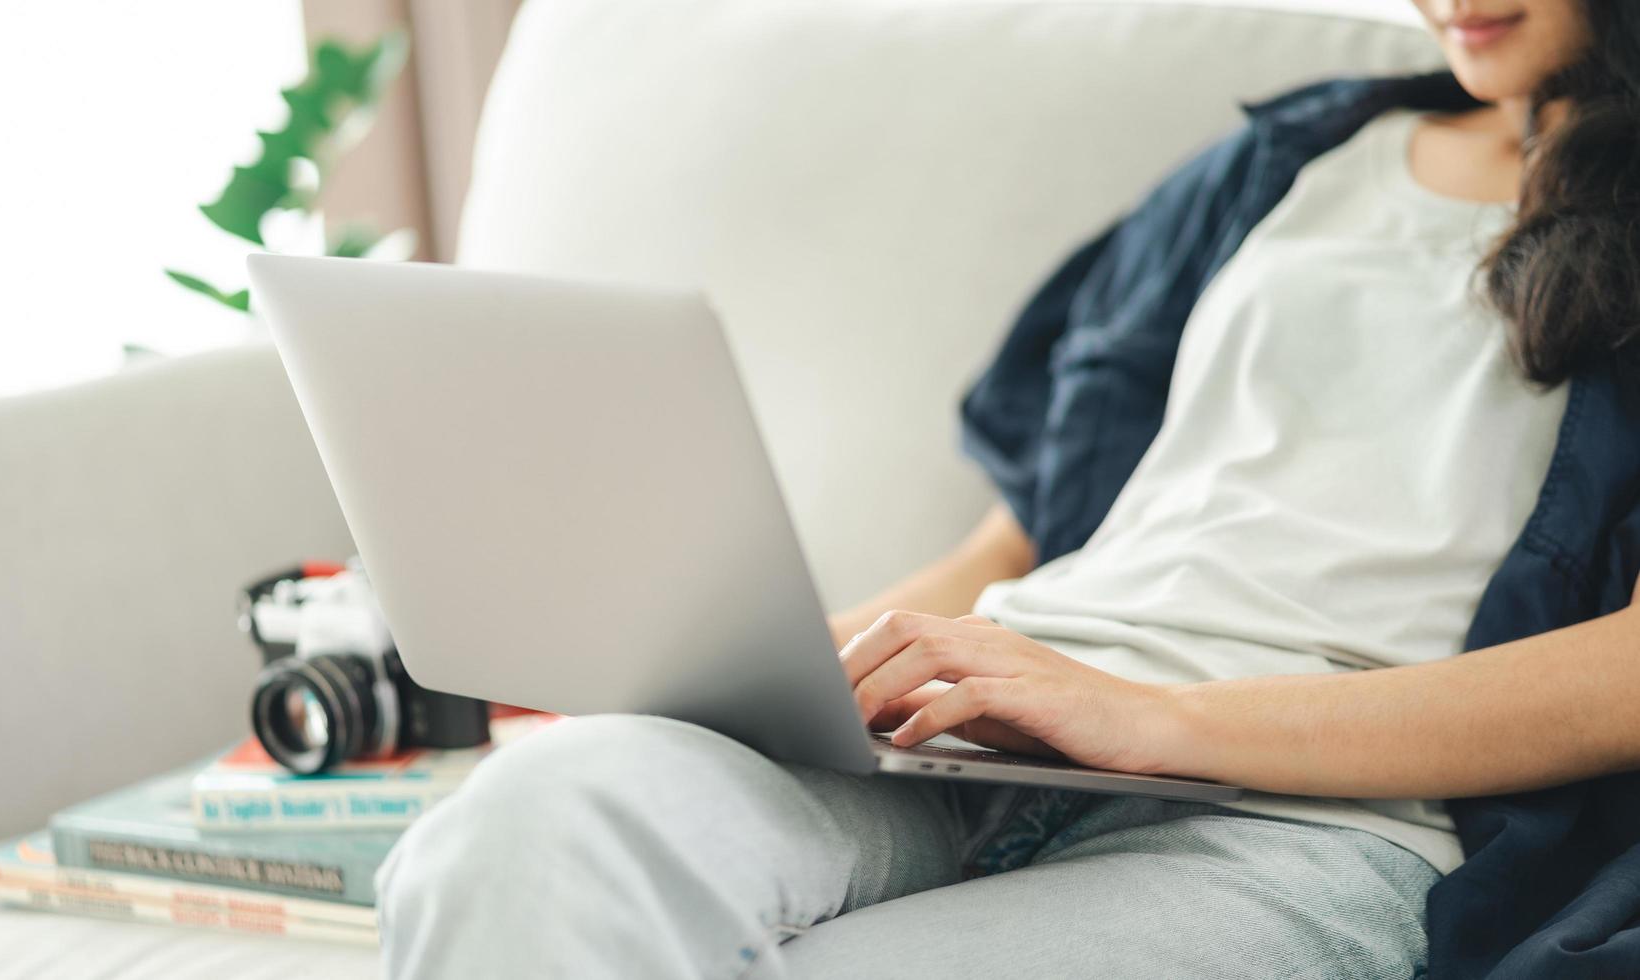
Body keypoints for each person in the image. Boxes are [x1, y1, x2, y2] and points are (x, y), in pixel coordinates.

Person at [378, 1, 1640, 976]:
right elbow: (1011, 549)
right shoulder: (1288, 160)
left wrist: (1164, 721)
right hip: (983, 724)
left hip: (1308, 817)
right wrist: (768, 664)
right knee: (524, 824)